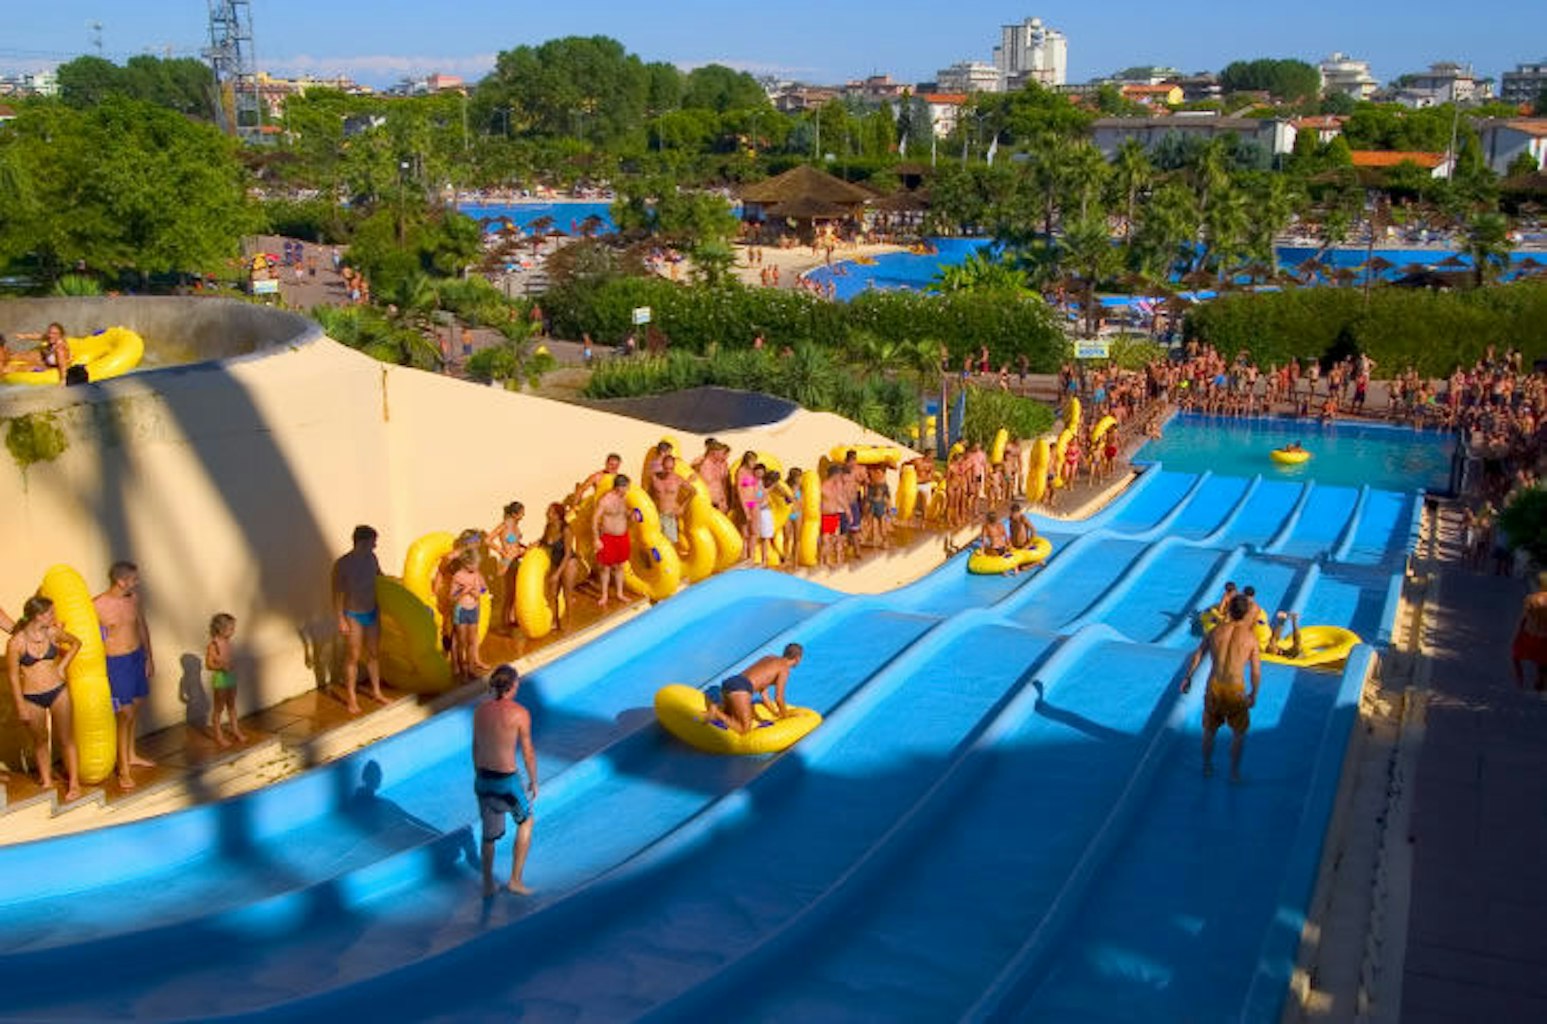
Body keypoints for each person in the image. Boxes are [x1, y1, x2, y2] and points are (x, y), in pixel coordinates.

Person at [5, 596, 82, 799]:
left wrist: (63, 666)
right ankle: (47, 780)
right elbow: (13, 677)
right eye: (50, 613)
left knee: (66, 739)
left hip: (58, 691)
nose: (54, 616)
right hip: (31, 697)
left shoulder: (53, 632)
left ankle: (74, 784)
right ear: (38, 616)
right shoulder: (16, 643)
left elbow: (76, 643)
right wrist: (20, 706)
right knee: (40, 741)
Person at [473, 664, 537, 897]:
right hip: (506, 784)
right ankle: (515, 881)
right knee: (526, 822)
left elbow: (476, 747)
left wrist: (479, 777)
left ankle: (488, 885)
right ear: (512, 685)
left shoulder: (480, 711)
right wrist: (533, 780)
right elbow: (528, 751)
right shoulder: (520, 713)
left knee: (488, 836)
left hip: (482, 781)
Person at [1182, 594, 1262, 781]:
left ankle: (1207, 766)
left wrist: (1188, 678)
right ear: (1246, 613)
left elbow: (1197, 656)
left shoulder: (1215, 631)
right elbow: (1256, 671)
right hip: (1235, 689)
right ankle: (1234, 772)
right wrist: (1254, 693)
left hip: (1215, 687)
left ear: (1229, 611)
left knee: (1209, 731)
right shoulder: (1250, 639)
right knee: (1238, 734)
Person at [94, 561, 156, 789]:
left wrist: (149, 656)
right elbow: (91, 639)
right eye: (133, 579)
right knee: (125, 713)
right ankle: (123, 769)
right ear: (120, 581)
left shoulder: (133, 599)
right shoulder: (98, 605)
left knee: (136, 708)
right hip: (115, 663)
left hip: (136, 658)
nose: (137, 582)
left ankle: (130, 754)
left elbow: (141, 626)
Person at [331, 525, 384, 714]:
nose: (375, 545)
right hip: (353, 614)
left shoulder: (372, 559)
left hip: (372, 610)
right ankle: (351, 698)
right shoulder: (343, 564)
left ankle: (377, 692)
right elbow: (337, 593)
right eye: (373, 542)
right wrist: (340, 619)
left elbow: (380, 579)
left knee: (374, 654)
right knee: (353, 656)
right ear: (362, 542)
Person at [702, 644, 804, 735]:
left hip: (731, 682)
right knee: (744, 729)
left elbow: (764, 694)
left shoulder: (769, 657)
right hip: (740, 689)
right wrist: (785, 717)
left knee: (729, 716)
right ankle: (716, 712)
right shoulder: (784, 669)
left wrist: (774, 712)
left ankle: (715, 713)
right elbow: (779, 698)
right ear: (798, 658)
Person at [539, 502, 583, 632]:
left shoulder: (566, 530)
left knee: (567, 593)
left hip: (569, 562)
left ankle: (569, 622)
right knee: (553, 593)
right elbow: (543, 542)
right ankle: (555, 621)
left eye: (550, 512)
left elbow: (568, 553)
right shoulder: (549, 527)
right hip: (556, 561)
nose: (547, 514)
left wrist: (557, 573)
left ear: (557, 515)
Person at [205, 613, 246, 747]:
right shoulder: (213, 645)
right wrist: (221, 666)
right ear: (220, 629)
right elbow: (209, 664)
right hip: (221, 679)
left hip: (231, 677)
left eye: (233, 628)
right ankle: (218, 735)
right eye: (231, 628)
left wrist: (232, 664)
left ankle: (236, 730)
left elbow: (229, 659)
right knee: (219, 707)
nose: (233, 631)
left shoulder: (228, 642)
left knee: (232, 706)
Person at [449, 550, 490, 681]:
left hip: (474, 609)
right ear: (467, 563)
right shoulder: (458, 576)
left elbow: (484, 588)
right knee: (462, 642)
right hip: (461, 610)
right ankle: (463, 670)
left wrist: (479, 592)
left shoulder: (477, 574)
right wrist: (463, 592)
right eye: (474, 564)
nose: (477, 567)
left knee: (472, 641)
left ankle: (471, 669)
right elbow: (451, 597)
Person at [593, 475, 631, 607]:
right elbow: (595, 520)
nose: (628, 489)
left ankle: (620, 593)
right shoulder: (605, 501)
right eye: (626, 487)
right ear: (619, 487)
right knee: (605, 568)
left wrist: (631, 515)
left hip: (622, 536)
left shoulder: (624, 497)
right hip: (608, 537)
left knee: (620, 566)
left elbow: (624, 513)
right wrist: (596, 539)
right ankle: (604, 595)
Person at [488, 502, 527, 631]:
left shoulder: (515, 525)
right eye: (521, 513)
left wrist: (523, 548)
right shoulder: (504, 525)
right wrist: (501, 551)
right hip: (507, 561)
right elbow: (488, 539)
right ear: (515, 514)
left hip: (515, 559)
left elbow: (514, 542)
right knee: (508, 593)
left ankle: (511, 618)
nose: (523, 515)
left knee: (515, 592)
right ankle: (503, 622)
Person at [1512, 572, 1547, 691]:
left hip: (1529, 633)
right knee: (1542, 659)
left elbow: (1524, 617)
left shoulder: (1532, 599)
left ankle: (1519, 677)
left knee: (1516, 655)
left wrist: (1519, 630)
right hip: (1544, 636)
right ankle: (1540, 678)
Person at [649, 454, 689, 547]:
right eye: (666, 468)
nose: (668, 471)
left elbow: (692, 492)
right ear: (662, 465)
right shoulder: (655, 478)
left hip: (669, 516)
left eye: (671, 468)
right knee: (655, 545)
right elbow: (649, 494)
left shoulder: (677, 479)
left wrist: (682, 507)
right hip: (656, 516)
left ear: (674, 467)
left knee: (670, 546)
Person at [819, 464, 847, 567]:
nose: (840, 477)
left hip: (834, 515)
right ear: (835, 475)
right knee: (826, 540)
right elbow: (820, 501)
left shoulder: (835, 486)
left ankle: (828, 560)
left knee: (833, 539)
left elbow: (839, 499)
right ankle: (824, 561)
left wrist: (847, 510)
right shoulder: (824, 486)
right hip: (826, 515)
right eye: (839, 475)